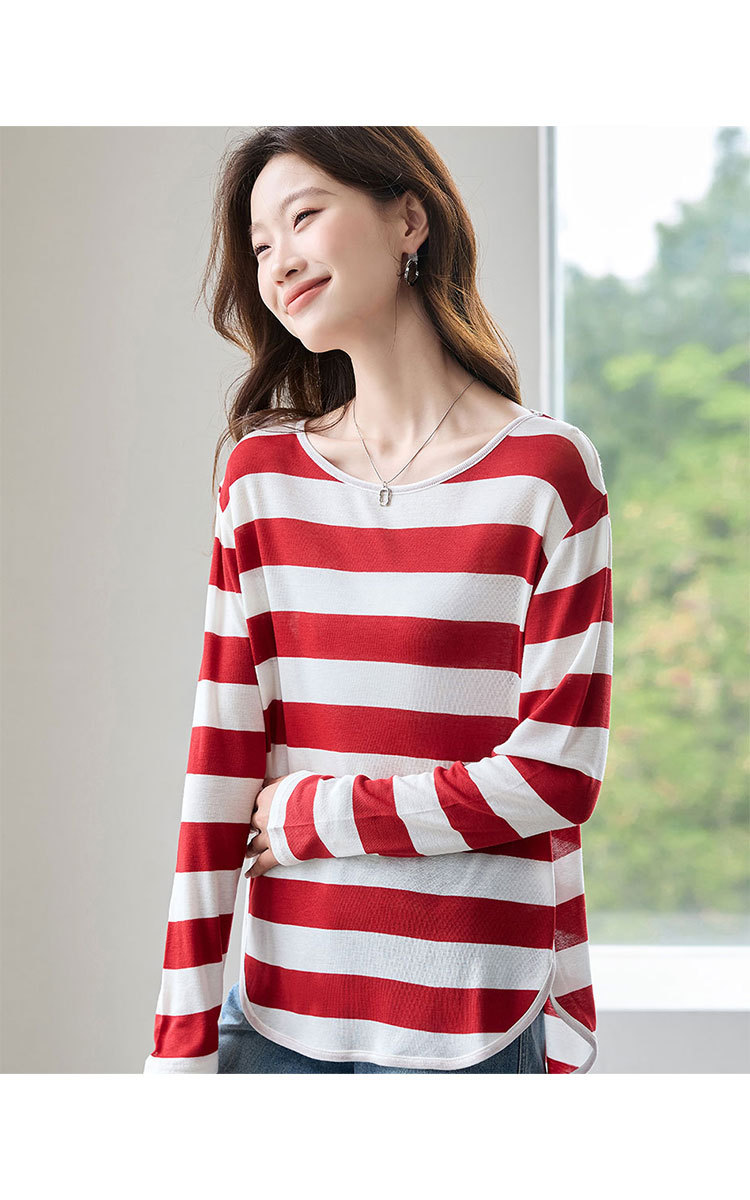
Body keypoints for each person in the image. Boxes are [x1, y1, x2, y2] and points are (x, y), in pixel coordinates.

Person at [143, 126, 613, 1074]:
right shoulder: (261, 480)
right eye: (260, 246)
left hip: (474, 1022)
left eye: (303, 217)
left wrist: (319, 816)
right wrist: (179, 1041)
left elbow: (556, 774)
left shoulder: (545, 474)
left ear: (409, 220)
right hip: (276, 1018)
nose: (278, 263)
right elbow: (220, 763)